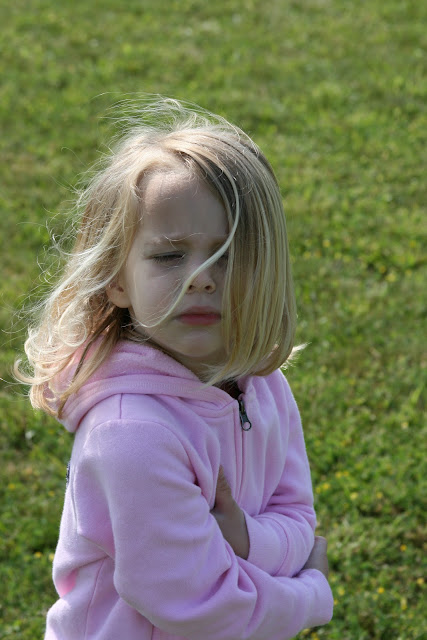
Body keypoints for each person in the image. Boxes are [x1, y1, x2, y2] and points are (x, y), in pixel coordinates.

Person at [16, 98, 333, 639]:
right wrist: (311, 594)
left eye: (227, 254)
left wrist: (248, 541)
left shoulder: (263, 385)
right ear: (117, 279)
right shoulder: (132, 433)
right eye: (168, 256)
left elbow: (297, 515)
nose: (201, 278)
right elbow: (201, 606)